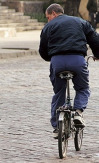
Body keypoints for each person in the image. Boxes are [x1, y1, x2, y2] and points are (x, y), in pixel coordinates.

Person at [39, 3, 99, 138]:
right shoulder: (80, 22)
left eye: (48, 17)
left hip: (57, 62)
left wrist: (52, 57)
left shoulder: (48, 26)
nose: (48, 20)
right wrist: (97, 54)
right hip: (77, 60)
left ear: (54, 13)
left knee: (59, 92)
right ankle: (78, 112)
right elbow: (94, 39)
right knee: (83, 88)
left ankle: (56, 126)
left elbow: (43, 49)